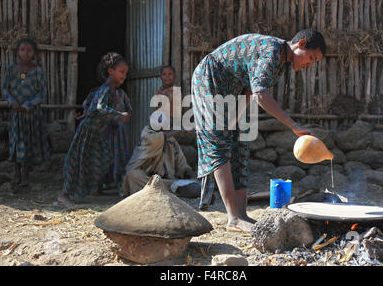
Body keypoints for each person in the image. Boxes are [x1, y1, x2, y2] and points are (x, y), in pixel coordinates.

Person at [191, 29, 326, 232]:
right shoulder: (272, 51)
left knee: (239, 141)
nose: (309, 64)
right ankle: (233, 218)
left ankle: (242, 214)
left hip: (234, 90)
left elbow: (249, 89)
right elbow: (260, 94)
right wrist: (293, 125)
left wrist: (235, 121)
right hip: (210, 80)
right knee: (217, 143)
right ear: (302, 44)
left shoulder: (281, 62)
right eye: (311, 58)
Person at [58, 52, 131, 205]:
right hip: (89, 132)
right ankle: (64, 194)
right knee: (79, 162)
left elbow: (91, 104)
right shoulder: (107, 89)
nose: (124, 75)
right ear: (111, 71)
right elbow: (100, 107)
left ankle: (92, 189)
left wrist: (86, 113)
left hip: (98, 133)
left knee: (103, 160)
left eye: (126, 72)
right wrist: (118, 114)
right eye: (121, 72)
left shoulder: (112, 90)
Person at [2, 38, 50, 195]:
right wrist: (12, 102)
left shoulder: (38, 71)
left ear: (34, 53)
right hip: (16, 114)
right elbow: (5, 89)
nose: (26, 53)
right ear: (17, 52)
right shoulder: (11, 70)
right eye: (22, 49)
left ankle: (26, 175)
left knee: (29, 143)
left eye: (29, 50)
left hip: (31, 115)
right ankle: (16, 174)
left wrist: (27, 105)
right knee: (16, 143)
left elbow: (42, 92)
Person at [122, 111, 197, 197]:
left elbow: (181, 164)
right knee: (132, 175)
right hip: (147, 178)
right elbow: (158, 138)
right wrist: (181, 130)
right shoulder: (147, 134)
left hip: (165, 179)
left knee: (190, 182)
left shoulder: (171, 141)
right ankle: (174, 188)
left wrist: (192, 175)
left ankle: (175, 187)